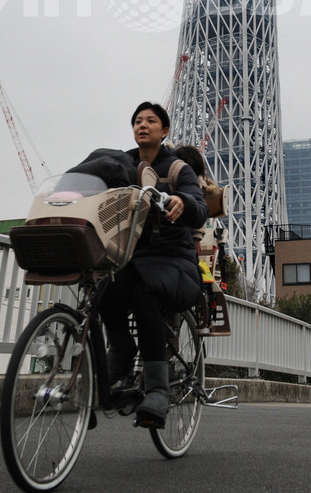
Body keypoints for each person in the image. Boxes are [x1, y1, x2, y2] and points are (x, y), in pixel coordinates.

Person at [68, 101, 207, 429]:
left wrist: (181, 200)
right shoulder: (122, 163)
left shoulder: (176, 168)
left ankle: (157, 389)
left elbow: (198, 205)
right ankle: (121, 349)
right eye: (137, 121)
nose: (142, 125)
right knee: (106, 292)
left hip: (174, 260)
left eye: (151, 120)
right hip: (132, 256)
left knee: (145, 293)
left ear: (165, 130)